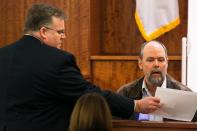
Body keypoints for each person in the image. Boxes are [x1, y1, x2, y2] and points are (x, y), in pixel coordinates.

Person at [0, 3, 161, 131]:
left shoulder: (3, 55)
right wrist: (135, 105)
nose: (64, 37)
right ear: (43, 31)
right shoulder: (57, 61)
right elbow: (90, 96)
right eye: (60, 32)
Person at [117, 40, 196, 121]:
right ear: (140, 63)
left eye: (161, 60)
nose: (156, 64)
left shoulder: (186, 96)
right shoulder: (125, 93)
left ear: (167, 63)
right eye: (150, 60)